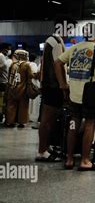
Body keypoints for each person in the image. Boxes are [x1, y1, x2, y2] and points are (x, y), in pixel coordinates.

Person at [55, 23, 95, 171]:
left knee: (73, 124)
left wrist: (63, 84)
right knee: (90, 124)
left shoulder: (74, 48)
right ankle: (85, 160)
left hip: (73, 94)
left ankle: (69, 159)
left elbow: (57, 63)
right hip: (91, 95)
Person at [36, 18, 76, 162]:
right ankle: (42, 151)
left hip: (49, 85)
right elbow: (58, 66)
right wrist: (63, 86)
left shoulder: (51, 41)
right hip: (53, 86)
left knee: (48, 119)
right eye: (70, 28)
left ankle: (45, 148)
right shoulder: (56, 42)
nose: (71, 32)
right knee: (47, 119)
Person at [5, 50, 35, 128]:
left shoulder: (13, 65)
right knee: (23, 106)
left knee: (11, 105)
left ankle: (10, 122)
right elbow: (30, 76)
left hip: (12, 88)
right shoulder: (26, 65)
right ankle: (21, 122)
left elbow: (9, 77)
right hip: (23, 89)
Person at [0, 43, 13, 123]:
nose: (9, 51)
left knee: (3, 102)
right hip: (2, 82)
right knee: (2, 102)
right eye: (8, 49)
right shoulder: (1, 56)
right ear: (3, 48)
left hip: (4, 81)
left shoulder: (4, 57)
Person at [27, 53, 41, 127]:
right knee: (34, 102)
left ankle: (27, 116)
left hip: (28, 84)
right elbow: (35, 75)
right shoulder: (33, 64)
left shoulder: (26, 64)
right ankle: (32, 117)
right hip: (33, 84)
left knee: (28, 101)